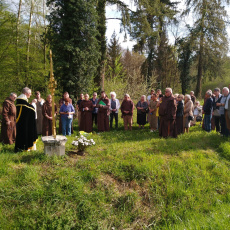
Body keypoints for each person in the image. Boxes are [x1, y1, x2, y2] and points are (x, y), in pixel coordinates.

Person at [15, 87, 38, 152]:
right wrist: (33, 103)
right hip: (24, 123)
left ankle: (20, 147)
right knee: (24, 133)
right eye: (30, 93)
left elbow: (26, 108)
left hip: (21, 122)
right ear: (25, 93)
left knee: (20, 134)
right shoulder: (22, 101)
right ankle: (25, 147)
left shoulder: (20, 101)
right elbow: (30, 109)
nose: (30, 95)